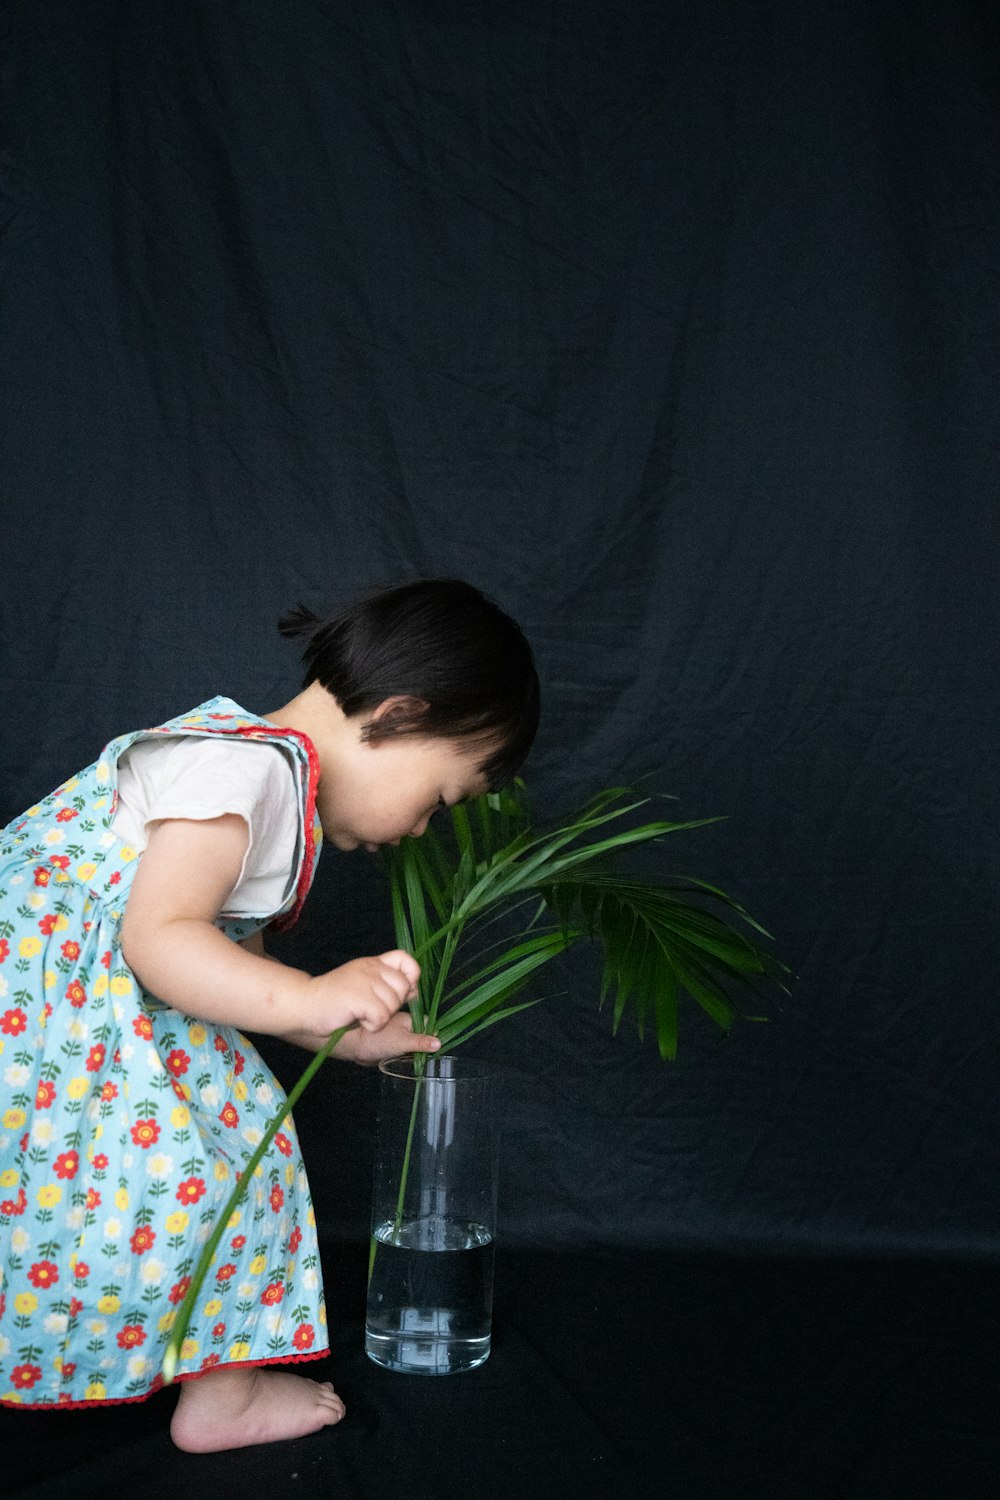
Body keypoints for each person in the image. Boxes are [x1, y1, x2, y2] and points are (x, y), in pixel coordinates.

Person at [0, 578, 539, 1451]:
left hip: (56, 1019)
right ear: (399, 715)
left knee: (122, 1182)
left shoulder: (261, 768)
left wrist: (330, 1029)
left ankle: (187, 1374)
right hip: (52, 1014)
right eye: (440, 800)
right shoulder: (248, 768)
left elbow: (225, 963)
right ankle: (223, 1397)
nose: (421, 833)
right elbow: (159, 938)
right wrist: (314, 995)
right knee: (237, 1150)